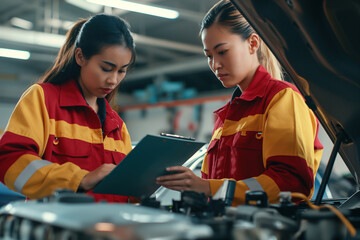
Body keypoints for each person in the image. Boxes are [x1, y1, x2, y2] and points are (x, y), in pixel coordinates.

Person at [157, 0, 324, 206]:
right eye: (209, 56)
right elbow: (212, 186)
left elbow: (291, 185)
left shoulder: (282, 99)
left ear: (253, 43)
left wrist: (206, 187)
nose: (215, 65)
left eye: (222, 51)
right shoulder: (226, 117)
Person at [0, 14, 136, 202]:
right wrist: (79, 179)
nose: (113, 80)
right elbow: (9, 160)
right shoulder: (44, 99)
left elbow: (127, 191)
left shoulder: (117, 125)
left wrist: (154, 182)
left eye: (121, 71)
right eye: (106, 68)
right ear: (80, 56)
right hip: (57, 229)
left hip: (109, 228)